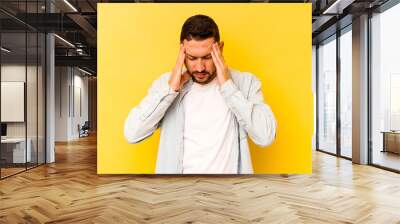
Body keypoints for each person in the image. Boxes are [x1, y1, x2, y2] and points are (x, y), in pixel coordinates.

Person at [124, 14, 277, 174]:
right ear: (182, 51)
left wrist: (228, 87)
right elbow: (132, 133)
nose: (200, 67)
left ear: (220, 48)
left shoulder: (245, 83)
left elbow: (266, 136)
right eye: (192, 58)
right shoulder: (167, 85)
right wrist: (169, 91)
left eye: (207, 57)